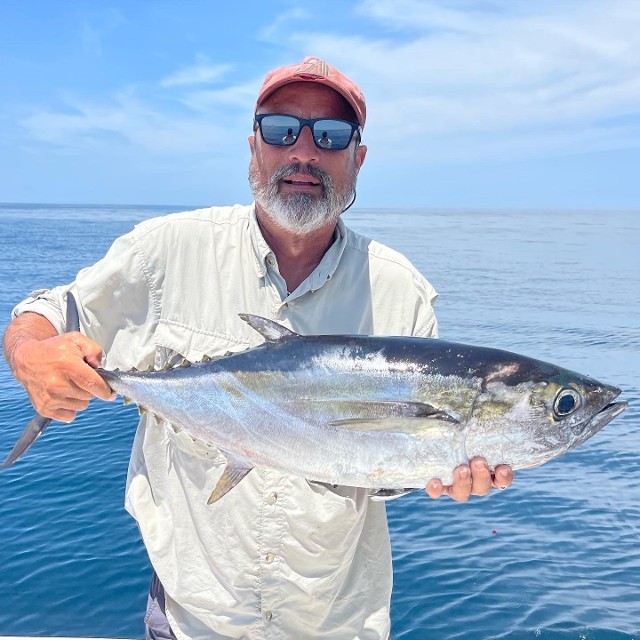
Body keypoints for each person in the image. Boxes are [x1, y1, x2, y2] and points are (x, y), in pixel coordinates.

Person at [3, 56, 514, 640]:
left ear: (358, 158)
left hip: (335, 622)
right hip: (190, 620)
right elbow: (48, 313)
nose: (303, 152)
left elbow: (382, 467)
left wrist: (439, 468)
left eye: (330, 136)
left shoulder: (401, 292)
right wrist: (31, 354)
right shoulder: (168, 250)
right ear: (254, 148)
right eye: (280, 130)